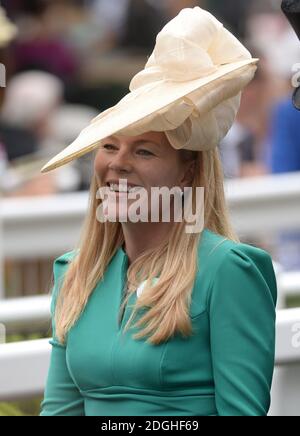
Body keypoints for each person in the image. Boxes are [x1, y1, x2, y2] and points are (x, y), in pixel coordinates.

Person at [39, 7, 277, 416]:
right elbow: (59, 410)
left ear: (188, 174)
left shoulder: (228, 271)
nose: (117, 163)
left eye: (144, 150)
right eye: (109, 146)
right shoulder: (74, 272)